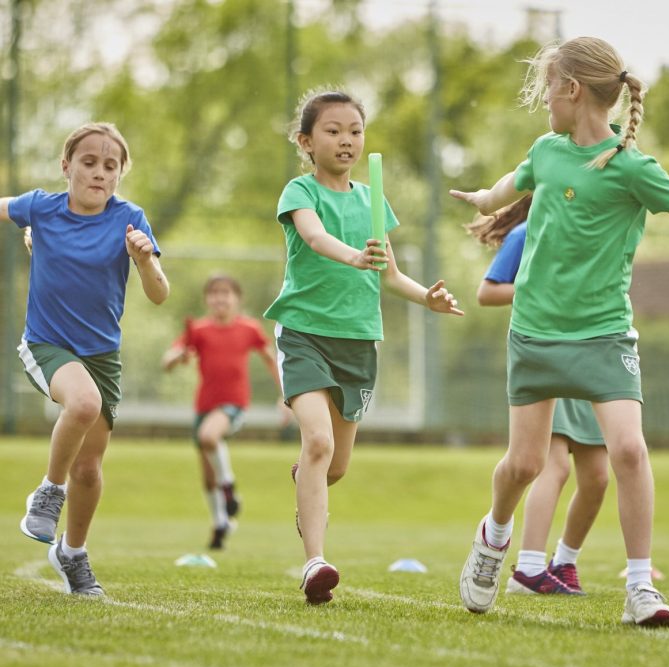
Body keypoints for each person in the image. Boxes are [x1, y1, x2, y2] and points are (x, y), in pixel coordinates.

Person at [450, 37, 669, 627]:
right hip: (534, 334)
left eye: (547, 91)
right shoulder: (546, 150)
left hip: (604, 336)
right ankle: (494, 537)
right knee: (522, 466)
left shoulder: (631, 168)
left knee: (630, 451)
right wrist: (479, 198)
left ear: (573, 91)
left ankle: (641, 587)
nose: (543, 103)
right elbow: (501, 190)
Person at [266, 87, 464, 605]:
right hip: (305, 334)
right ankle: (315, 562)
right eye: (333, 131)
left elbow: (391, 275)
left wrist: (429, 299)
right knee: (317, 442)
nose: (346, 140)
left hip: (359, 343)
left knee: (334, 467)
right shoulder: (300, 192)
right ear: (306, 141)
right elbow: (313, 239)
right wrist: (353, 256)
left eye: (355, 131)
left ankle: (305, 483)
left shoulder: (373, 200)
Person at [0, 122, 170, 595]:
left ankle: (72, 553)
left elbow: (159, 295)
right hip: (47, 345)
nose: (98, 172)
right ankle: (48, 493)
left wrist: (145, 260)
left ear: (119, 175)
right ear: (67, 166)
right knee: (81, 404)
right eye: (89, 162)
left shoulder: (130, 218)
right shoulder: (41, 207)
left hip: (102, 355)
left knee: (90, 469)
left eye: (109, 166)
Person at [471, 194, 608, 596]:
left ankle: (564, 564)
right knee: (555, 466)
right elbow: (487, 293)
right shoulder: (524, 232)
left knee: (598, 476)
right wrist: (540, 290)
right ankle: (528, 568)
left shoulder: (589, 232)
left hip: (592, 351)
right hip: (548, 351)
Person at [162, 273, 290, 550]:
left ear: (237, 299)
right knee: (208, 475)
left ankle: (229, 486)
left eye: (226, 292)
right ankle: (220, 521)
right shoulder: (198, 330)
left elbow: (271, 359)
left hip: (234, 404)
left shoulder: (249, 329)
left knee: (209, 437)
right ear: (207, 299)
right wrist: (180, 357)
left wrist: (286, 395)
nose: (220, 298)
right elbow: (168, 360)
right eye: (214, 293)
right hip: (204, 405)